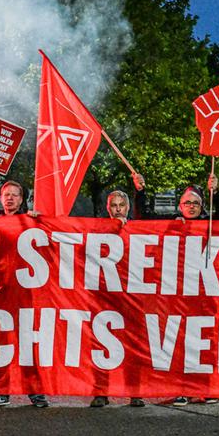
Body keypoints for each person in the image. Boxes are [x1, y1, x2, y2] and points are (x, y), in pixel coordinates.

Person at [0, 181, 49, 408]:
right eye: (6, 194)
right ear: (1, 199)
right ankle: (0, 392)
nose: (10, 198)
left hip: (23, 294)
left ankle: (35, 392)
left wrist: (40, 221)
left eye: (15, 195)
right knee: (0, 344)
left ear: (22, 199)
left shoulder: (31, 222)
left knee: (26, 342)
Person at [90, 173, 146, 408]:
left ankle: (135, 393)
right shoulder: (97, 229)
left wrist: (140, 192)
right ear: (107, 208)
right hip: (104, 296)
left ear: (128, 207)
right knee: (102, 345)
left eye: (122, 205)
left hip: (132, 296)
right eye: (113, 205)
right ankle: (101, 392)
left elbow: (146, 217)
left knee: (133, 346)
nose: (118, 209)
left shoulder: (138, 228)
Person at [172, 174, 219, 406]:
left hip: (206, 293)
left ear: (202, 206)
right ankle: (182, 389)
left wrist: (216, 193)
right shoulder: (173, 224)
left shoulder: (212, 223)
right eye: (187, 203)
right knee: (181, 342)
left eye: (196, 202)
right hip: (181, 295)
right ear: (180, 206)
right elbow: (143, 221)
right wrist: (141, 193)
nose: (192, 206)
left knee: (206, 340)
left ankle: (206, 387)